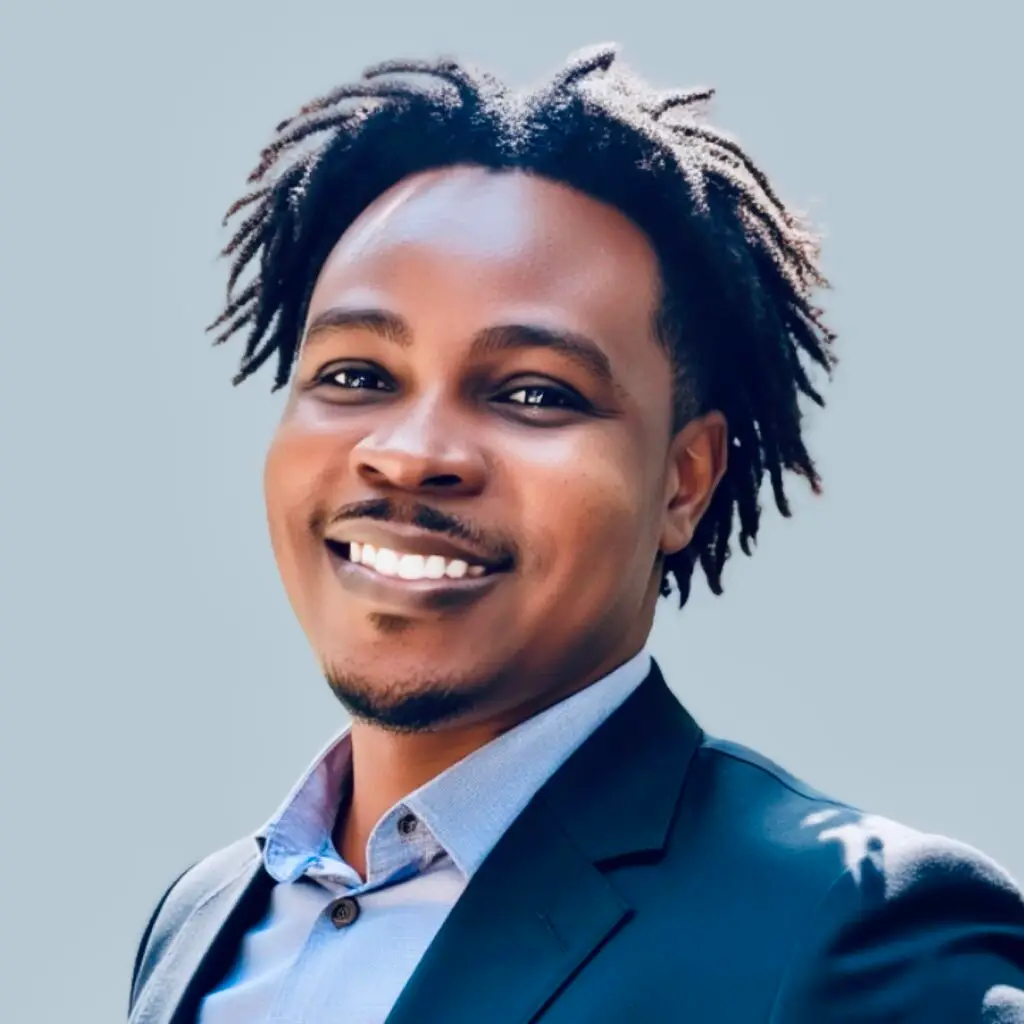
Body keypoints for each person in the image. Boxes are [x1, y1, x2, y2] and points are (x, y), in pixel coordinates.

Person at [128, 44, 1024, 1023]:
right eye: (356, 376)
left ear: (684, 481)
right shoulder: (202, 919)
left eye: (533, 393)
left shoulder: (851, 931)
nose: (411, 454)